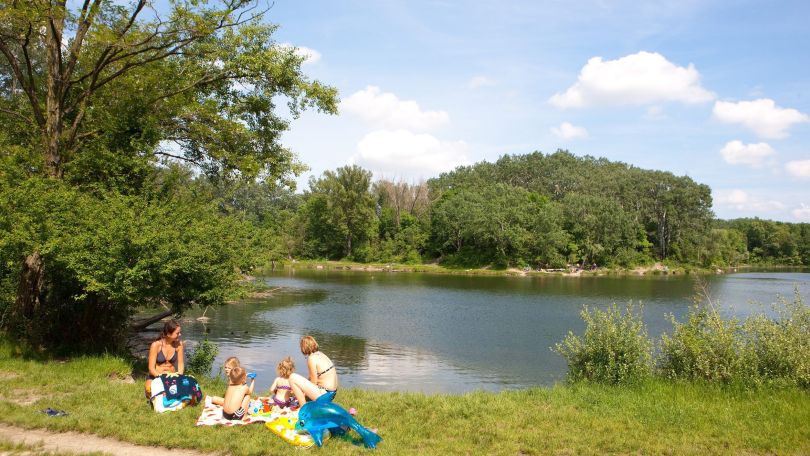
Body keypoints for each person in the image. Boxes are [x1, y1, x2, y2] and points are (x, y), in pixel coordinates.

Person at [288, 336, 338, 406]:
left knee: (292, 377)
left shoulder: (311, 358)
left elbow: (313, 382)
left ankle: (303, 409)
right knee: (300, 386)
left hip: (324, 394)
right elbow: (313, 378)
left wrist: (303, 393)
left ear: (304, 347)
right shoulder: (321, 354)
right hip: (331, 393)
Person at [144, 320, 185, 398]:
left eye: (180, 332)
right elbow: (151, 369)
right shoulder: (156, 345)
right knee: (149, 389)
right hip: (156, 376)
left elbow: (181, 365)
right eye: (177, 333)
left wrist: (179, 377)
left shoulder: (179, 345)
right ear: (169, 334)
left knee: (187, 391)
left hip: (172, 377)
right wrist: (162, 379)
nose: (180, 334)